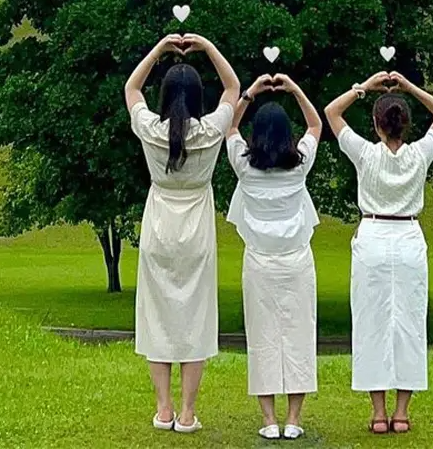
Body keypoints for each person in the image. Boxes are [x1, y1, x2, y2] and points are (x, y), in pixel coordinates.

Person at [124, 32, 240, 434]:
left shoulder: (150, 130)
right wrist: (208, 47)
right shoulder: (209, 131)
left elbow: (131, 87)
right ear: (197, 97)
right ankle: (188, 412)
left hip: (158, 227)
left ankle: (163, 408)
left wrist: (159, 48)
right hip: (197, 232)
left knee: (157, 318)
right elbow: (233, 88)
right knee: (195, 318)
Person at [324, 70, 433, 436]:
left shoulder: (365, 153)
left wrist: (363, 86)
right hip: (408, 237)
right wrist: (410, 86)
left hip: (374, 236)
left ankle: (379, 413)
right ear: (406, 125)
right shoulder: (420, 154)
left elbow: (332, 112)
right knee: (409, 325)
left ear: (378, 126)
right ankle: (402, 411)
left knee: (372, 323)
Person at [225, 72, 323, 441]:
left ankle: (269, 419)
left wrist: (249, 93)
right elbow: (315, 124)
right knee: (299, 335)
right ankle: (294, 419)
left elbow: (229, 125)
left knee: (262, 336)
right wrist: (295, 88)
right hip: (297, 260)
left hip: (259, 263)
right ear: (287, 135)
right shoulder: (299, 166)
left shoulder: (244, 166)